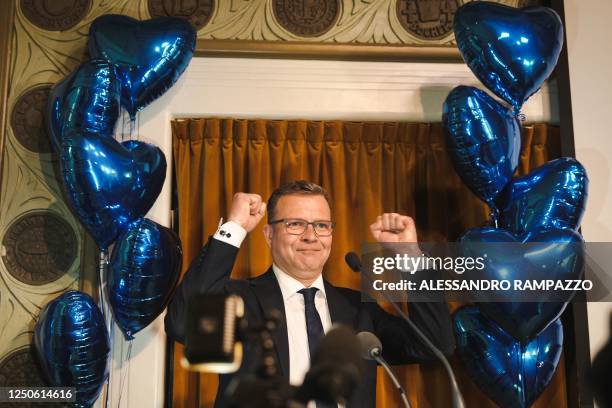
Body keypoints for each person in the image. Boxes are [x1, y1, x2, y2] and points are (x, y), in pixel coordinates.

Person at [165, 180, 455, 407]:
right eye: (295, 224)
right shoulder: (241, 300)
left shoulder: (357, 309)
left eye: (321, 225)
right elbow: (181, 324)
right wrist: (235, 227)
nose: (310, 236)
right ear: (268, 234)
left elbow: (434, 343)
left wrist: (410, 257)